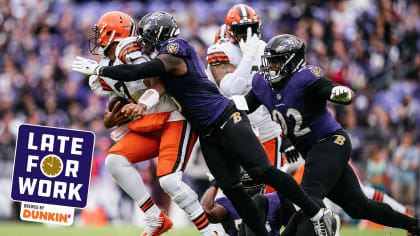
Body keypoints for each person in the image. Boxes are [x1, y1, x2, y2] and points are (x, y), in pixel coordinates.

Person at [72, 11, 336, 236]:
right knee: (233, 191)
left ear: (160, 36)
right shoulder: (162, 59)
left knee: (263, 171)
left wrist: (99, 69)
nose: (144, 43)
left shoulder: (176, 49)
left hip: (226, 118)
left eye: (148, 38)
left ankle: (316, 212)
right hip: (207, 132)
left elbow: (138, 71)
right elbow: (142, 82)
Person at [244, 33, 420, 235]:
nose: (271, 67)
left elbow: (327, 88)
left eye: (276, 61)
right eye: (269, 61)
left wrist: (340, 92)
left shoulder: (305, 78)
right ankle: (414, 226)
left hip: (331, 142)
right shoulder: (262, 84)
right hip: (315, 152)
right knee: (359, 206)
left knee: (309, 200)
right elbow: (243, 107)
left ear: (292, 62)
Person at [77, 11, 216, 236]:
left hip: (173, 117)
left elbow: (159, 82)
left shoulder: (129, 49)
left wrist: (142, 104)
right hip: (151, 122)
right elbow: (118, 101)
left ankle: (211, 232)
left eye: (101, 32)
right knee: (114, 160)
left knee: (170, 180)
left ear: (114, 32)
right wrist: (109, 119)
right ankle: (154, 217)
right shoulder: (107, 64)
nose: (97, 37)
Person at [207, 5, 298, 193]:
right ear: (231, 31)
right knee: (236, 192)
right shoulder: (219, 49)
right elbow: (233, 88)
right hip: (234, 130)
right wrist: (248, 57)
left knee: (271, 191)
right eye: (242, 29)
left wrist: (287, 136)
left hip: (267, 130)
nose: (248, 34)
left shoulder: (266, 49)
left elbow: (278, 93)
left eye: (252, 27)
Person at [200, 170, 297, 236]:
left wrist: (283, 190)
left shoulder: (273, 199)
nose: (250, 190)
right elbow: (206, 210)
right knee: (258, 200)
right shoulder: (229, 203)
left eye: (253, 184)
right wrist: (216, 182)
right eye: (246, 184)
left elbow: (293, 223)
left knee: (303, 215)